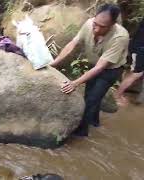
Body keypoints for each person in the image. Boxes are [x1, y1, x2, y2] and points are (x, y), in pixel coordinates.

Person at [50, 4, 129, 136]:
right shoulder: (88, 24)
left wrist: (75, 83)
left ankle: (81, 134)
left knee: (91, 100)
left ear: (113, 24)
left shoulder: (120, 37)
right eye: (95, 24)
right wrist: (54, 63)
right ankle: (94, 122)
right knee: (90, 96)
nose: (96, 29)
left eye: (102, 27)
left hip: (110, 70)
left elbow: (101, 67)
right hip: (95, 65)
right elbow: (72, 45)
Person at [114, 18, 144, 106]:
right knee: (136, 74)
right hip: (140, 49)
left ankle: (138, 98)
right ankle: (117, 95)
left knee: (137, 73)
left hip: (139, 47)